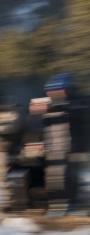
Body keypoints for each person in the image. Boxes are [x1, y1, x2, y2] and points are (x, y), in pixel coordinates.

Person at [41, 73, 89, 216]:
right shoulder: (51, 107)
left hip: (78, 147)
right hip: (58, 149)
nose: (55, 94)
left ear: (69, 90)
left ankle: (76, 204)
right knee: (59, 177)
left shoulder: (80, 102)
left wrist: (64, 108)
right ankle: (62, 204)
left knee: (74, 177)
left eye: (59, 91)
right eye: (51, 92)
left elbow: (80, 114)